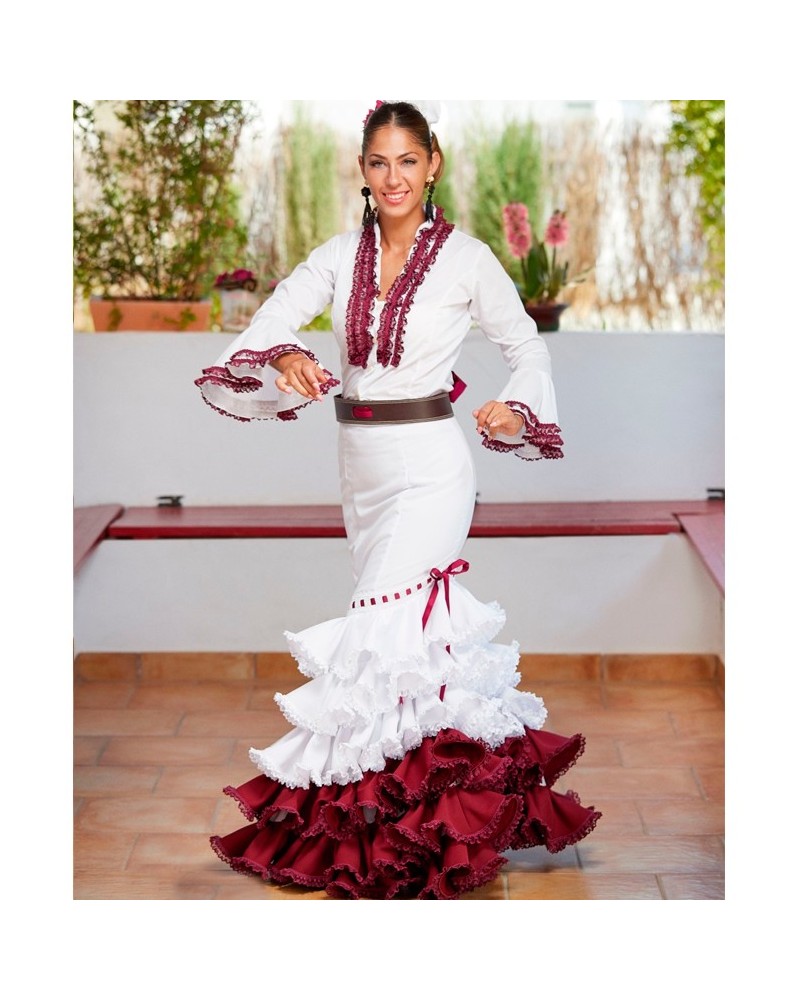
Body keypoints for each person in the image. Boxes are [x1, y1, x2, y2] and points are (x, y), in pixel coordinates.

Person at [196, 101, 600, 900]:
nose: (393, 178)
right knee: (409, 648)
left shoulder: (468, 260)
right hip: (360, 466)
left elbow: (524, 346)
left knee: (383, 630)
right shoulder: (339, 255)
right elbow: (274, 315)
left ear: (434, 165)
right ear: (364, 171)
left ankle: (398, 839)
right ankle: (425, 825)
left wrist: (514, 406)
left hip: (430, 465)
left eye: (408, 161)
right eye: (379, 163)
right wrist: (284, 357)